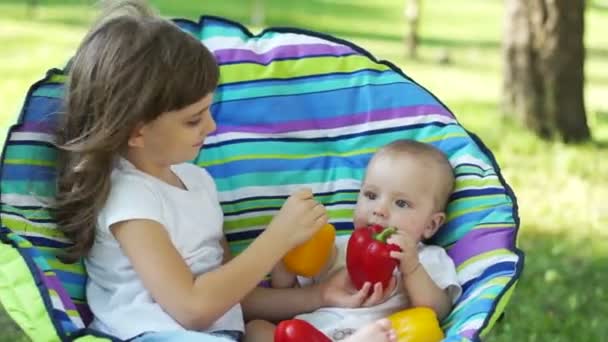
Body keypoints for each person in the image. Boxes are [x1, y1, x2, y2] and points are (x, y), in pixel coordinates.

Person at [54, 1, 397, 341]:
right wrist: (277, 239)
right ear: (135, 130)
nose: (211, 126)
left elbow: (233, 295)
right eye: (193, 120)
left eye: (208, 111)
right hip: (153, 334)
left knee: (263, 334)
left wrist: (318, 296)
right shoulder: (129, 196)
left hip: (218, 334)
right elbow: (192, 307)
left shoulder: (198, 182)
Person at [271, 139, 462, 341]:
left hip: (377, 336)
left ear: (431, 225)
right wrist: (284, 248)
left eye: (401, 203)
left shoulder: (427, 258)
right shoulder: (335, 247)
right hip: (311, 335)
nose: (379, 210)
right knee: (258, 329)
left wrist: (412, 269)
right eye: (371, 195)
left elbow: (438, 311)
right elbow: (284, 288)